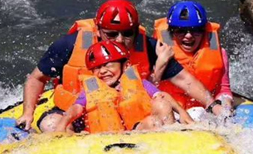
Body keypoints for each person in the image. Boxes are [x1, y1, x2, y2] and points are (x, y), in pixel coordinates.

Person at [17, 0, 224, 133]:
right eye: (112, 33)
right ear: (98, 29)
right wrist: (27, 113)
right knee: (53, 124)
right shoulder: (69, 45)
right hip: (75, 113)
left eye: (127, 33)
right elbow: (36, 78)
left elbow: (185, 81)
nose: (120, 39)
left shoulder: (148, 47)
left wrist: (212, 104)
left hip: (130, 117)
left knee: (158, 119)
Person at [54, 41, 193, 133]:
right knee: (69, 129)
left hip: (138, 130)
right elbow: (76, 108)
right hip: (107, 138)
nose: (102, 71)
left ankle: (172, 141)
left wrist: (182, 113)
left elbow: (161, 96)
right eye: (97, 68)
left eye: (108, 65)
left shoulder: (139, 83)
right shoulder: (91, 90)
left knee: (160, 107)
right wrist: (62, 124)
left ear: (125, 66)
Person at [153, 1, 233, 115]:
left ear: (204, 31)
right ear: (171, 32)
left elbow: (223, 89)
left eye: (196, 30)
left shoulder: (221, 53)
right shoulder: (156, 51)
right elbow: (146, 88)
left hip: (206, 109)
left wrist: (226, 105)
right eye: (181, 31)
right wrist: (161, 64)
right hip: (172, 110)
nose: (188, 36)